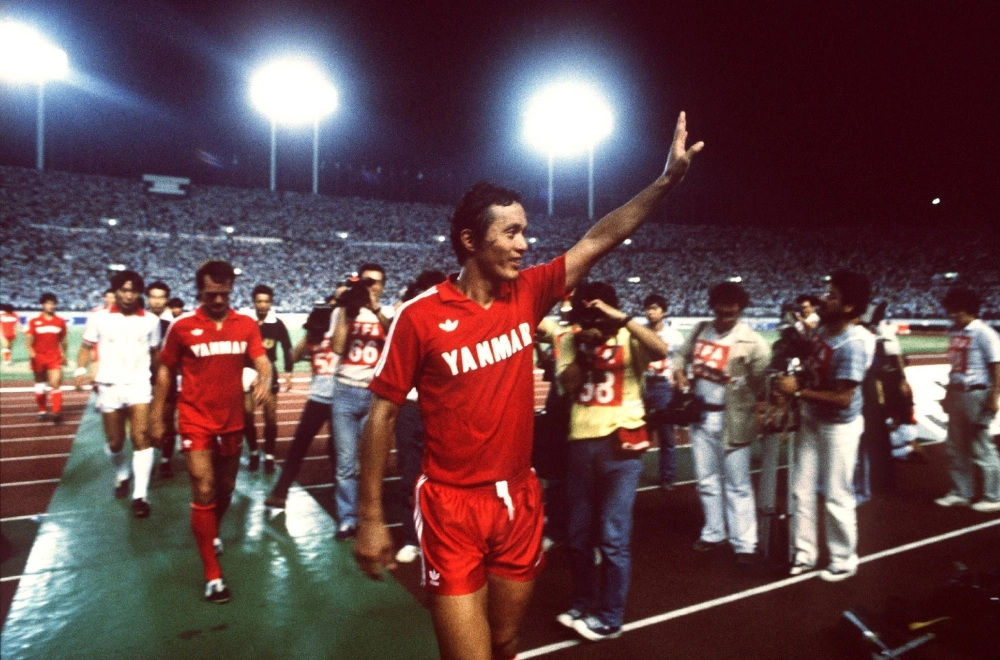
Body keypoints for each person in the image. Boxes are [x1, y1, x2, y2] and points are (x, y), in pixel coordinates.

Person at [354, 111, 702, 660]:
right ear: (471, 240)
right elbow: (381, 415)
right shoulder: (420, 317)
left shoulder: (530, 293)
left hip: (519, 498)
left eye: (525, 231)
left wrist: (664, 182)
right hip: (450, 507)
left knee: (507, 640)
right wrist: (372, 517)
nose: (524, 244)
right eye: (511, 232)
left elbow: (601, 237)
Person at [150, 260, 271, 604]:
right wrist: (158, 416)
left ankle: (210, 530)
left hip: (232, 420)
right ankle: (212, 575)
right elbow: (164, 371)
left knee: (226, 488)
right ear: (199, 291)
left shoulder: (245, 324)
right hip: (195, 420)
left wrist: (266, 378)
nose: (218, 299)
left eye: (224, 293)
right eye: (210, 293)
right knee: (203, 488)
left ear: (231, 290)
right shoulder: (182, 326)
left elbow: (262, 360)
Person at [555, 282, 668, 641]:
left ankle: (610, 615)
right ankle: (583, 600)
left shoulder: (630, 336)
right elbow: (569, 385)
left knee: (612, 534)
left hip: (623, 446)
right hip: (581, 444)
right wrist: (587, 347)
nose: (591, 322)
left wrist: (622, 321)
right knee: (577, 535)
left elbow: (660, 349)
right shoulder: (571, 339)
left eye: (596, 315)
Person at [775, 270, 875, 582]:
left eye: (832, 296)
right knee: (800, 490)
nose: (823, 299)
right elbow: (810, 368)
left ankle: (844, 559)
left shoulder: (854, 343)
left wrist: (798, 392)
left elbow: (844, 398)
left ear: (848, 307)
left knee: (836, 493)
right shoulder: (821, 332)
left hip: (839, 427)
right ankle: (805, 554)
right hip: (812, 418)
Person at [673, 282, 771, 565]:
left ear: (740, 310)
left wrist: (759, 408)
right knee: (706, 480)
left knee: (737, 483)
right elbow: (680, 355)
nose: (725, 318)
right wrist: (679, 372)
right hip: (701, 415)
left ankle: (745, 543)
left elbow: (762, 384)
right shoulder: (700, 329)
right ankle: (714, 531)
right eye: (721, 312)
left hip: (733, 419)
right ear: (713, 307)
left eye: (732, 313)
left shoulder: (753, 343)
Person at [75, 271, 162, 517]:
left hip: (139, 385)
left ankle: (140, 495)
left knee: (140, 438)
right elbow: (85, 347)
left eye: (133, 290)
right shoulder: (99, 318)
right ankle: (123, 474)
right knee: (115, 442)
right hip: (108, 386)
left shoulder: (151, 322)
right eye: (123, 290)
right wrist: (81, 368)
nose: (128, 295)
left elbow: (155, 354)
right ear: (115, 291)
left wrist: (158, 384)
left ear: (139, 294)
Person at [330, 264, 393, 540]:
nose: (372, 287)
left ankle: (370, 514)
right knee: (345, 462)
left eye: (376, 282)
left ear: (383, 286)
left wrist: (376, 309)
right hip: (345, 390)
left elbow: (394, 341)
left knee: (369, 461)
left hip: (373, 394)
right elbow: (338, 348)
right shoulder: (343, 311)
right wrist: (347, 307)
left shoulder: (386, 313)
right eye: (367, 282)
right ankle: (347, 518)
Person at [391, 270, 447, 564]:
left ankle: (439, 536)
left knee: (443, 478)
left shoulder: (452, 323)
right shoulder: (407, 320)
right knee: (409, 476)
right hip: (411, 409)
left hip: (441, 410)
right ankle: (413, 538)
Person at [264, 299, 339, 511]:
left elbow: (293, 357)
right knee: (315, 447)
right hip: (323, 399)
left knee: (311, 447)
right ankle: (281, 491)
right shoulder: (334, 336)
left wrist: (310, 339)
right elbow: (294, 356)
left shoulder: (321, 338)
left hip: (328, 399)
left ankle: (281, 492)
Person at [934, 286, 1000, 513]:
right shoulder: (954, 332)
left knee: (981, 445)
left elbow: (996, 365)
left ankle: (994, 495)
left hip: (977, 393)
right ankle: (961, 492)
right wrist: (947, 395)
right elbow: (955, 367)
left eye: (957, 311)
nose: (953, 315)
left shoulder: (984, 333)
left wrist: (994, 397)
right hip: (957, 392)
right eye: (950, 311)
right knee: (955, 446)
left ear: (970, 310)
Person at [241, 284, 293, 474]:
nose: (262, 305)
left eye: (266, 301)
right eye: (259, 301)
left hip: (268, 373)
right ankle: (254, 452)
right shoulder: (246, 322)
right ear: (253, 302)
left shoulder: (277, 324)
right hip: (246, 373)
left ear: (271, 303)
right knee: (247, 416)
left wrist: (288, 373)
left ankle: (269, 456)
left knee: (270, 417)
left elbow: (287, 347)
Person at [641, 293, 685, 490]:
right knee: (637, 431)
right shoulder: (640, 332)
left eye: (655, 308)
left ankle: (667, 476)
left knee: (666, 435)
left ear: (664, 312)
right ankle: (632, 473)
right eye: (648, 308)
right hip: (642, 385)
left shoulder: (674, 336)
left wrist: (680, 382)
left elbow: (679, 363)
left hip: (662, 386)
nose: (651, 312)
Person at [146, 281, 179, 478]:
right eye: (153, 296)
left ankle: (166, 460)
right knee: (144, 424)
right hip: (141, 380)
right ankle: (147, 459)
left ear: (166, 299)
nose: (157, 301)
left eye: (161, 297)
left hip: (167, 379)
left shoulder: (174, 324)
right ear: (147, 298)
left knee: (167, 422)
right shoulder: (140, 320)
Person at [26, 293, 68, 424]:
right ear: (42, 304)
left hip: (54, 357)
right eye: (48, 303)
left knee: (55, 384)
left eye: (53, 303)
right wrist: (31, 353)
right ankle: (42, 410)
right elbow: (28, 340)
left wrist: (64, 354)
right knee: (40, 384)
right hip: (38, 357)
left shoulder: (60, 321)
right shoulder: (34, 321)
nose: (51, 306)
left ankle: (56, 412)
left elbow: (63, 340)